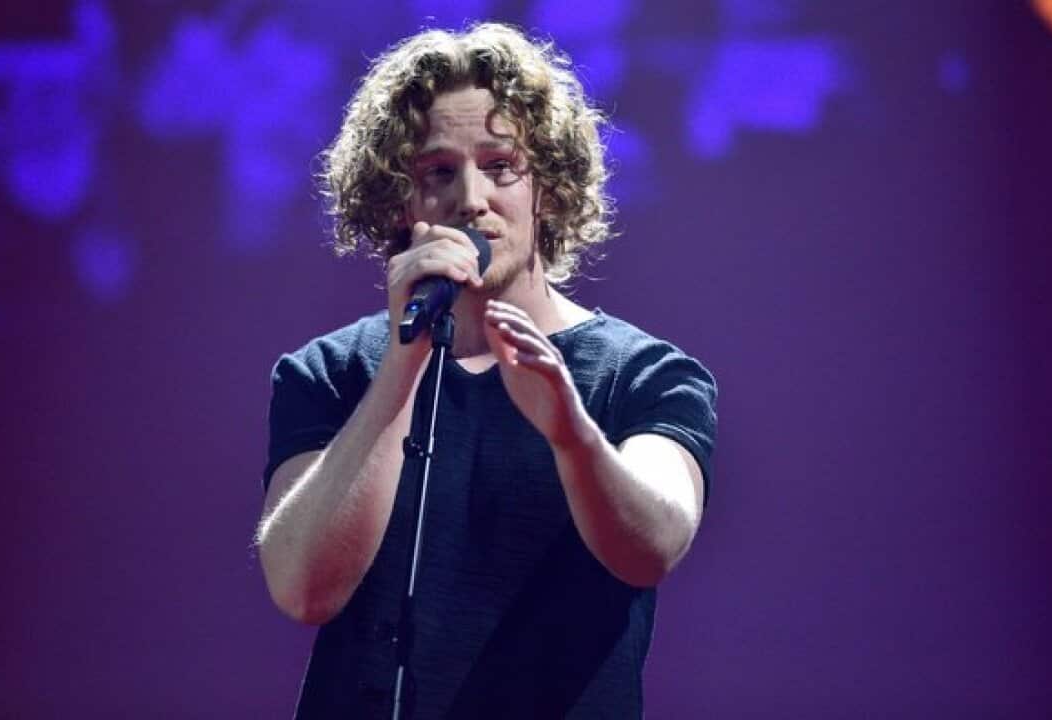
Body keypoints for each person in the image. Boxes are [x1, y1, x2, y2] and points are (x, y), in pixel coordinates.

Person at [255, 23, 717, 718]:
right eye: (438, 172)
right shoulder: (331, 371)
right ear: (400, 200)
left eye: (501, 165)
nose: (471, 198)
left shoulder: (643, 374)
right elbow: (303, 589)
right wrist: (401, 368)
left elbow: (652, 546)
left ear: (549, 189)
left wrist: (572, 435)